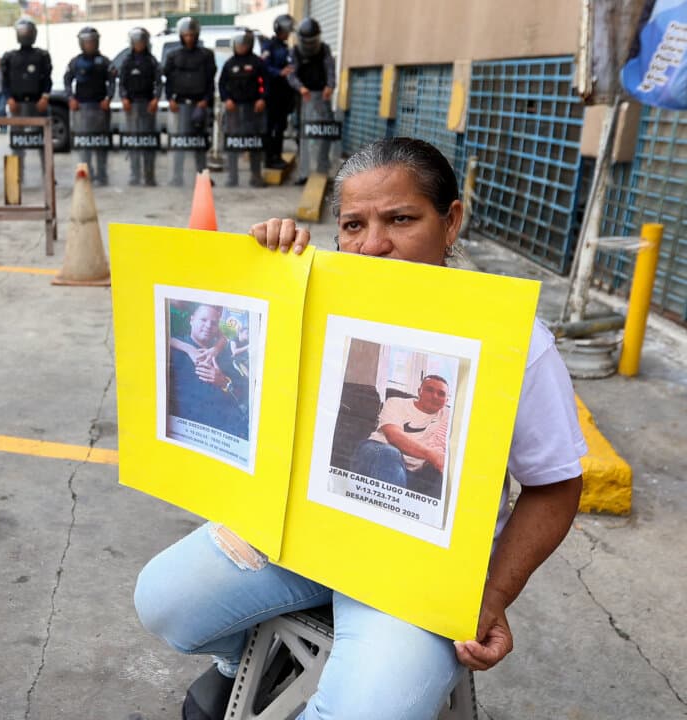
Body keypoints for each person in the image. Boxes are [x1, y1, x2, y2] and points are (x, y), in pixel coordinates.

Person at [135, 137, 587, 720]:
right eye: (353, 225)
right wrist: (263, 274)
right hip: (295, 536)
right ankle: (250, 662)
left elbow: (556, 486)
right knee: (163, 601)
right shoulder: (313, 298)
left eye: (401, 219)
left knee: (367, 711)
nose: (373, 246)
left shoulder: (518, 343)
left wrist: (491, 596)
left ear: (450, 222)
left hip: (418, 569)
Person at [352, 375, 451, 498]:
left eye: (441, 394)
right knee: (390, 453)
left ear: (447, 400)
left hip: (412, 471)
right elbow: (394, 436)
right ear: (419, 391)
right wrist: (432, 455)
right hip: (378, 450)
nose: (435, 396)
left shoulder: (448, 416)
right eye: (429, 390)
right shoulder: (396, 402)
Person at [168, 304, 249, 441]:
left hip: (224, 434)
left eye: (214, 323)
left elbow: (243, 394)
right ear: (191, 320)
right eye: (203, 320)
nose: (208, 326)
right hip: (188, 434)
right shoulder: (173, 350)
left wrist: (223, 381)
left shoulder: (223, 353)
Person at [163, 16, 216, 187]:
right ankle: (177, 176)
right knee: (179, 142)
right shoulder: (173, 56)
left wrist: (206, 100)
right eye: (186, 35)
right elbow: (168, 79)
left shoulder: (206, 55)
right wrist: (170, 98)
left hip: (198, 104)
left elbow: (210, 80)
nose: (189, 38)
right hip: (180, 105)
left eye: (192, 35)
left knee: (200, 142)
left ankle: (202, 176)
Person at [64, 26, 116, 186]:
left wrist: (108, 98)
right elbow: (67, 81)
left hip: (100, 108)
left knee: (101, 143)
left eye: (92, 42)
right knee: (84, 144)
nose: (89, 45)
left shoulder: (105, 62)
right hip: (82, 109)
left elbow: (112, 82)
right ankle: (87, 173)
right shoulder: (75, 62)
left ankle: (102, 174)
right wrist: (70, 98)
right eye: (86, 42)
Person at [287, 18, 335, 185]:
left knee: (325, 131)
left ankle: (322, 167)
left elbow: (330, 69)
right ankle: (304, 173)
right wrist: (300, 88)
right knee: (303, 135)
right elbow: (291, 74)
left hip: (323, 96)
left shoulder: (324, 50)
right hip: (304, 96)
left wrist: (330, 86)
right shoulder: (295, 52)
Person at [1, 19, 52, 177]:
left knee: (42, 141)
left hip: (37, 104)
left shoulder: (42, 56)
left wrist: (45, 97)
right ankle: (17, 175)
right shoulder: (10, 57)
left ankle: (48, 174)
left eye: (28, 32)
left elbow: (47, 79)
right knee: (18, 142)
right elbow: (5, 81)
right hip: (17, 105)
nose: (25, 35)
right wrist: (9, 98)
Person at [219, 28, 268, 188]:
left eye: (244, 44)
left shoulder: (257, 63)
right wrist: (226, 99)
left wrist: (262, 99)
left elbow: (266, 83)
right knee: (232, 143)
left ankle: (256, 176)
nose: (241, 47)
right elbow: (222, 84)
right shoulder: (229, 64)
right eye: (238, 45)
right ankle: (232, 177)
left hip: (253, 110)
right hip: (234, 110)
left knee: (254, 143)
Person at [119, 27, 162, 187]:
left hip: (147, 105)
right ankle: (134, 175)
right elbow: (122, 83)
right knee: (134, 142)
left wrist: (156, 99)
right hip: (132, 106)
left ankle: (149, 176)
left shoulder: (151, 61)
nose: (139, 45)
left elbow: (159, 82)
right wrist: (124, 98)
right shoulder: (127, 61)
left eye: (142, 42)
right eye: (136, 42)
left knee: (148, 141)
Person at [260, 14, 296, 170]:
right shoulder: (269, 46)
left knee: (280, 126)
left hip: (284, 93)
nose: (288, 33)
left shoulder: (285, 47)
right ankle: (269, 158)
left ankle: (277, 156)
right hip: (272, 93)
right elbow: (264, 66)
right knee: (270, 127)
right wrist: (279, 72)